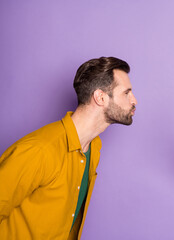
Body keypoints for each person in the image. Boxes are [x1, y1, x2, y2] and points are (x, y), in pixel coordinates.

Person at [0, 56, 137, 240]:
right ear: (100, 97)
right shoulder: (39, 150)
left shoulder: (93, 148)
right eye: (126, 93)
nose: (134, 101)